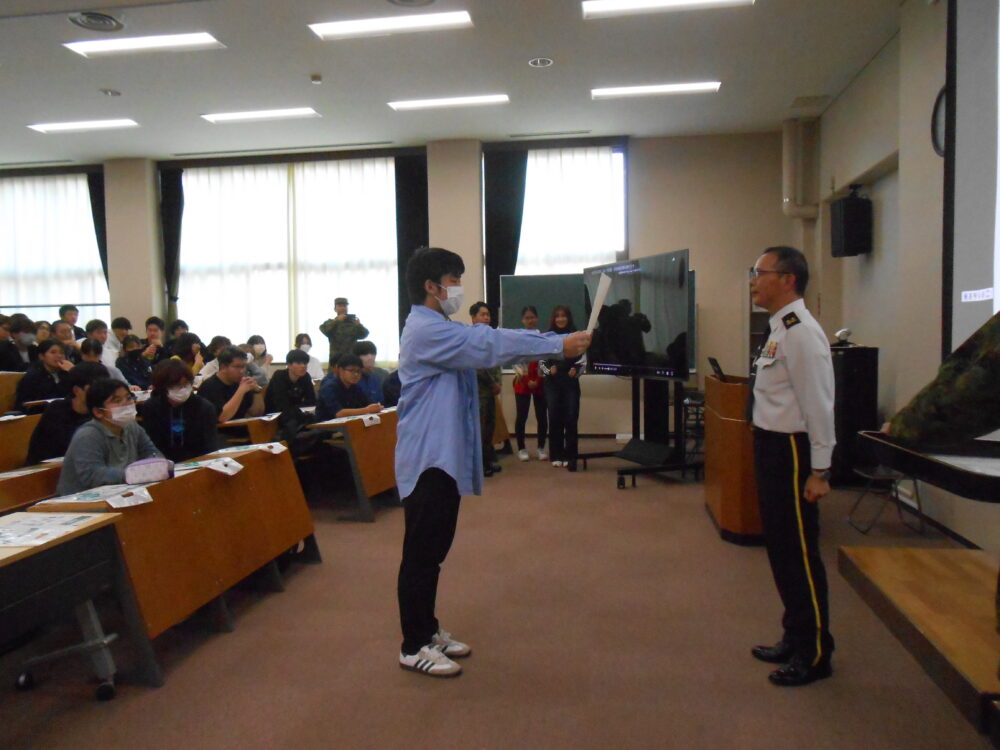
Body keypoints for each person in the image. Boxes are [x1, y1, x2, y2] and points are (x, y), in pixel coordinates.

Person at [394, 247, 591, 677]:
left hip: (441, 458)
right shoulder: (426, 331)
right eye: (454, 280)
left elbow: (491, 343)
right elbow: (489, 343)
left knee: (434, 551)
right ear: (431, 286)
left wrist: (551, 345)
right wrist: (556, 343)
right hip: (427, 459)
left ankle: (427, 629)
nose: (459, 288)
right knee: (421, 554)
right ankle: (413, 645)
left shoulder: (441, 327)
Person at [747, 245, 836, 687]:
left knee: (799, 553)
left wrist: (820, 471)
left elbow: (818, 404)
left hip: (794, 452)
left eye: (760, 272)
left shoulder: (801, 333)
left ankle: (815, 652)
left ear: (788, 280)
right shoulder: (780, 328)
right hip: (772, 447)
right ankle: (794, 634)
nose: (753, 281)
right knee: (782, 550)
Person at [56, 377, 162, 495]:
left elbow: (152, 452)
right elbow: (93, 475)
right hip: (82, 500)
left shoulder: (132, 427)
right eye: (117, 401)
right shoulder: (87, 435)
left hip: (121, 492)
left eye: (128, 398)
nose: (127, 404)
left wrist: (156, 466)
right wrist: (136, 474)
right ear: (98, 412)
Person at [26, 362, 107, 465]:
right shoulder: (57, 411)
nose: (101, 393)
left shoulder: (103, 411)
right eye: (95, 389)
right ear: (77, 390)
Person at [139, 359, 218, 462]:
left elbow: (210, 446)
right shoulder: (151, 407)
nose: (182, 389)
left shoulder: (205, 408)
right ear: (163, 387)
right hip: (162, 463)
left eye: (186, 384)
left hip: (198, 462)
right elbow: (151, 444)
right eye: (176, 385)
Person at [542, 305, 582, 470]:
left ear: (568, 317)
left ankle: (571, 456)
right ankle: (556, 455)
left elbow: (584, 360)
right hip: (552, 382)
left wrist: (577, 370)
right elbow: (541, 361)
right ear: (554, 318)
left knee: (571, 418)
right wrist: (548, 370)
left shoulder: (576, 336)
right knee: (554, 417)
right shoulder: (547, 337)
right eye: (557, 316)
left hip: (570, 381)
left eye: (563, 316)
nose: (560, 319)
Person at [469, 302, 503, 477]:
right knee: (480, 428)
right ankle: (479, 465)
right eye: (482, 315)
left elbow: (496, 361)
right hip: (479, 391)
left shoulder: (490, 337)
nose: (486, 318)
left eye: (488, 314)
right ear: (473, 318)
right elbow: (477, 366)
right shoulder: (472, 338)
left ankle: (488, 460)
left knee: (490, 426)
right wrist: (492, 384)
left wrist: (498, 382)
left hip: (490, 391)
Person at [512, 306, 548, 462]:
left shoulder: (542, 337)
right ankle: (521, 448)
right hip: (522, 381)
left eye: (532, 317)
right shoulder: (518, 338)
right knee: (522, 416)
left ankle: (541, 448)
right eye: (527, 318)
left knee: (542, 416)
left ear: (537, 318)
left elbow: (545, 359)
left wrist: (538, 380)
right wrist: (527, 380)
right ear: (522, 320)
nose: (530, 320)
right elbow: (515, 360)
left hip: (540, 381)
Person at [265, 349, 319, 444]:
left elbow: (311, 401)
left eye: (305, 363)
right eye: (298, 363)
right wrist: (300, 409)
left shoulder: (306, 377)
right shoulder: (279, 376)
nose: (303, 366)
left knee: (317, 419)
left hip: (296, 413)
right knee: (292, 423)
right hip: (275, 414)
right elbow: (280, 403)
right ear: (289, 365)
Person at [197, 345, 262, 423]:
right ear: (223, 367)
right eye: (237, 367)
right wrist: (241, 391)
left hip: (241, 428)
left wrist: (257, 391)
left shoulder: (241, 384)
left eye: (243, 366)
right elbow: (222, 417)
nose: (242, 371)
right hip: (220, 430)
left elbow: (257, 413)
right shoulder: (209, 387)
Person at [317, 353, 381, 420]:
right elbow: (339, 413)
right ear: (341, 370)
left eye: (358, 371)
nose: (356, 374)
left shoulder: (355, 387)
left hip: (348, 423)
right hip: (325, 425)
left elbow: (367, 404)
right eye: (351, 370)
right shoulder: (329, 387)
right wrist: (367, 410)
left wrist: (376, 407)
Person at [15, 339, 72, 410]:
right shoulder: (33, 376)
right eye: (53, 352)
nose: (59, 356)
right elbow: (26, 403)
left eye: (62, 353)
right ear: (41, 356)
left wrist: (73, 371)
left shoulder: (67, 373)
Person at [320, 297, 369, 369]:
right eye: (340, 306)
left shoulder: (353, 324)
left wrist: (359, 325)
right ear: (335, 309)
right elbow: (325, 330)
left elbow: (364, 334)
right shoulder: (330, 323)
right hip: (336, 361)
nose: (343, 308)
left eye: (345, 306)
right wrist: (337, 321)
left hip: (351, 360)